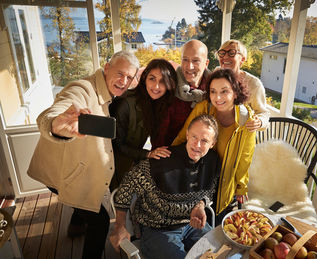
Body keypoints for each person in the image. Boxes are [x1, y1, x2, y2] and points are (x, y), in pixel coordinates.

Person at [27, 50, 139, 259]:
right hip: (61, 173)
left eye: (129, 77)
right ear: (106, 68)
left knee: (87, 196)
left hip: (74, 170)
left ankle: (76, 225)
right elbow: (59, 107)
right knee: (101, 221)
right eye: (119, 73)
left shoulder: (111, 90)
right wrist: (55, 123)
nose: (124, 81)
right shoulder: (83, 88)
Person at [109, 114, 221, 259]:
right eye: (194, 137)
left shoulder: (213, 161)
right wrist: (120, 226)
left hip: (192, 225)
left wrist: (201, 204)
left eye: (204, 140)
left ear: (213, 143)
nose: (197, 145)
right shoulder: (162, 161)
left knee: (220, 254)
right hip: (157, 229)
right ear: (187, 134)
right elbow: (127, 186)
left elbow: (210, 190)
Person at [172, 69, 256, 224]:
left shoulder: (246, 120)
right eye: (213, 91)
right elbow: (184, 136)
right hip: (200, 180)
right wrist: (168, 157)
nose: (217, 98)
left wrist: (241, 186)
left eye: (224, 91)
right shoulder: (204, 108)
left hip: (224, 183)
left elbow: (246, 156)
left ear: (236, 93)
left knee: (214, 226)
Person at [109, 59, 177, 191]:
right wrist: (147, 154)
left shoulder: (157, 102)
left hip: (131, 163)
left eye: (163, 81)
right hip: (115, 168)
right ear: (144, 78)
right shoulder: (126, 104)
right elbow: (117, 145)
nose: (156, 86)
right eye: (152, 78)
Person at [151, 39, 211, 148]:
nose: (189, 66)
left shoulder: (213, 89)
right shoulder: (169, 87)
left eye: (196, 60)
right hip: (171, 153)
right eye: (185, 60)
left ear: (206, 63)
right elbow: (159, 134)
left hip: (203, 153)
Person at [217, 39, 270, 132]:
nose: (225, 57)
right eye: (222, 53)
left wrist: (259, 122)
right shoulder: (216, 74)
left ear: (242, 59)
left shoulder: (254, 84)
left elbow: (263, 113)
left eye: (231, 53)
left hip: (241, 135)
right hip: (218, 130)